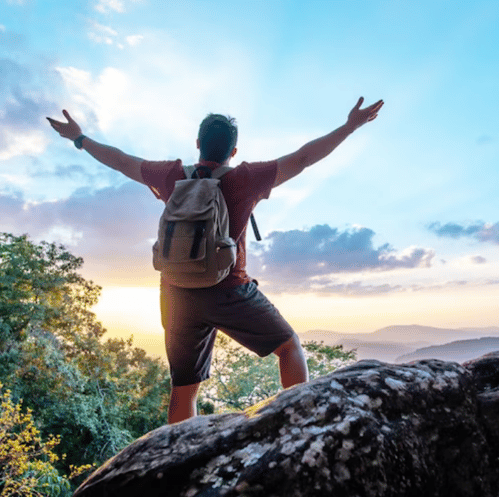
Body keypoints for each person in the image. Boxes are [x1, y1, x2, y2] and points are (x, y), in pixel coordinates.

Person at [47, 97, 384, 424]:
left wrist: (79, 138)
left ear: (197, 143)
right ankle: (301, 427)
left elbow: (120, 160)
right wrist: (350, 127)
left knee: (184, 389)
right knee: (289, 347)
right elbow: (304, 157)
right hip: (230, 290)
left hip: (177, 293)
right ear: (233, 151)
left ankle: (177, 459)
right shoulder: (244, 178)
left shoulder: (172, 175)